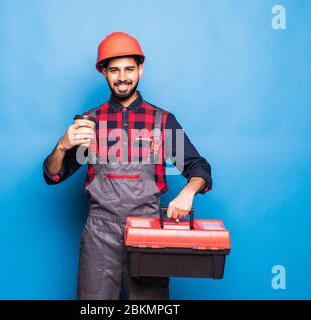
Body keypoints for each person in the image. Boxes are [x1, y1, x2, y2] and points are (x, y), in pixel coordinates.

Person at [43, 32, 212, 300]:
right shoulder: (89, 122)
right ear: (104, 73)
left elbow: (199, 168)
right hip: (100, 235)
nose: (122, 77)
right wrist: (62, 145)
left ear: (140, 70)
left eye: (129, 69)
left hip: (149, 234)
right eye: (114, 70)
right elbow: (53, 174)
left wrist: (188, 191)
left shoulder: (162, 122)